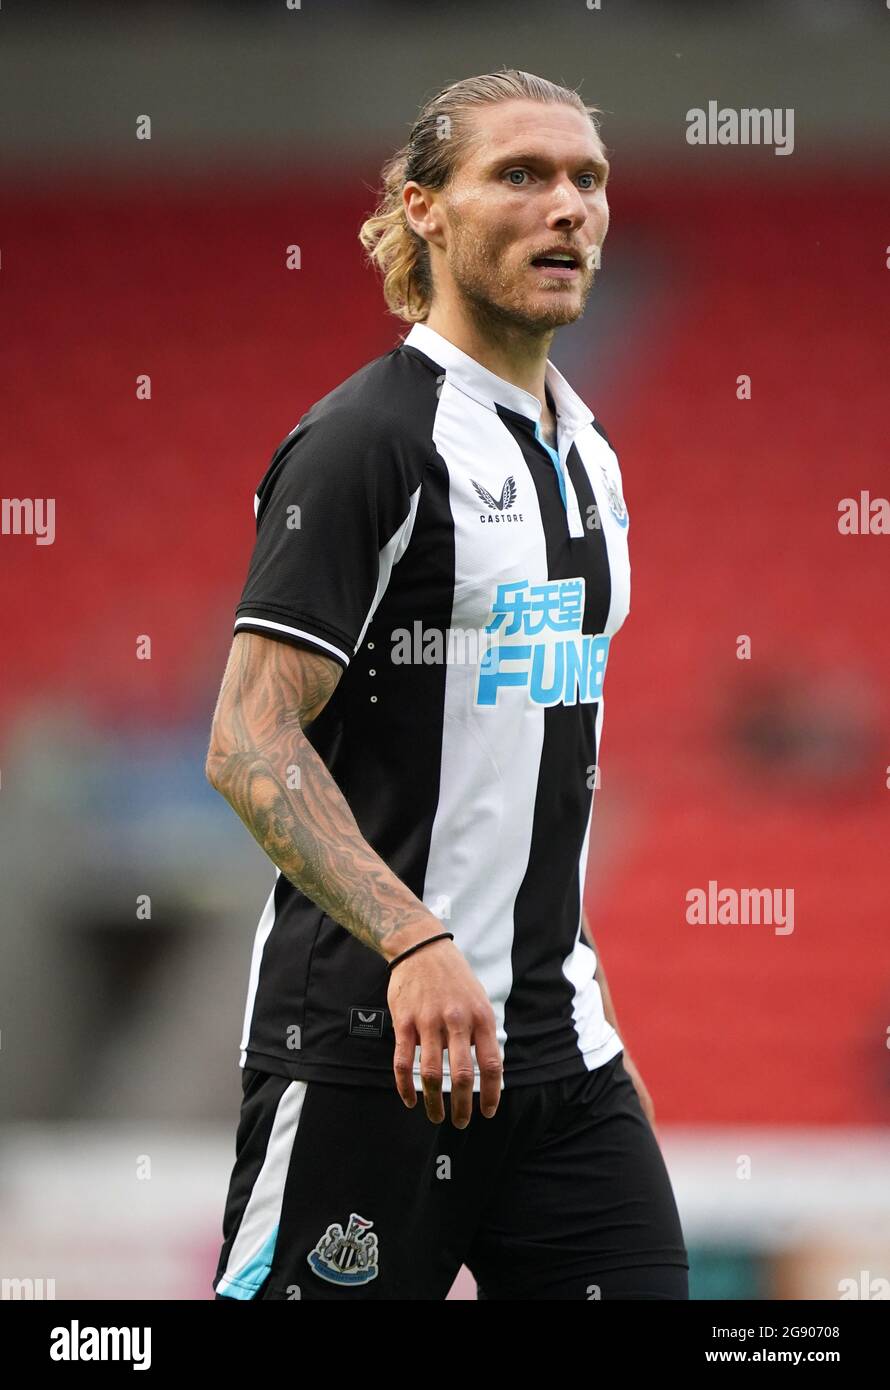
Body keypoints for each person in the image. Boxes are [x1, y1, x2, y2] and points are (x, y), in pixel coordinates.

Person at [206, 67, 688, 1300]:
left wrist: (590, 1010)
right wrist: (415, 936)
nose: (568, 206)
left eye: (587, 178)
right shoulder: (367, 442)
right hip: (373, 1055)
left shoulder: (590, 459)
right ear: (423, 208)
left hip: (561, 1064)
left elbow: (535, 768)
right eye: (520, 175)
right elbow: (249, 741)